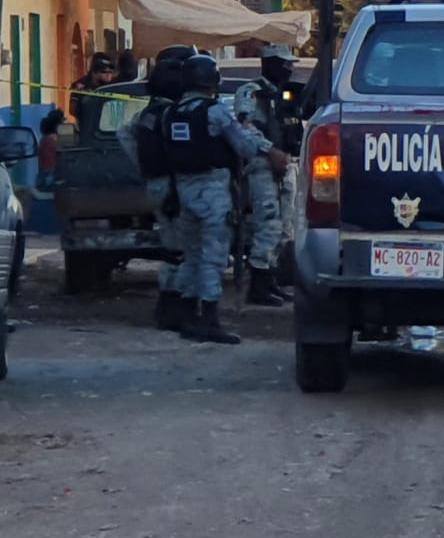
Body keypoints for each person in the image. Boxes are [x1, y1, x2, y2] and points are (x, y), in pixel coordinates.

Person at [164, 53, 288, 344]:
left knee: (191, 255)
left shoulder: (172, 112)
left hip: (183, 190)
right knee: (214, 257)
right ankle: (209, 318)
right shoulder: (214, 111)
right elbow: (244, 146)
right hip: (213, 189)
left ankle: (187, 315)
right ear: (212, 80)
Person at [116, 46, 195, 331]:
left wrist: (145, 168)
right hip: (173, 187)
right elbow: (177, 156)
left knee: (173, 248)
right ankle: (174, 309)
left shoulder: (148, 114)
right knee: (182, 250)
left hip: (157, 185)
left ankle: (169, 307)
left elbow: (123, 133)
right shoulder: (171, 115)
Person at [234, 44, 300, 306]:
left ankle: (271, 279)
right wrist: (270, 151)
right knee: (268, 224)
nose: (290, 69)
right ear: (271, 64)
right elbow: (244, 127)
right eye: (285, 64)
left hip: (287, 163)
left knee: (286, 227)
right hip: (262, 164)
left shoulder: (283, 94)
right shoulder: (251, 92)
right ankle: (258, 284)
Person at [69, 52, 117, 120]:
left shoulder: (113, 86)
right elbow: (72, 110)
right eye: (105, 71)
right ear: (94, 72)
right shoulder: (80, 85)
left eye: (111, 72)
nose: (109, 75)